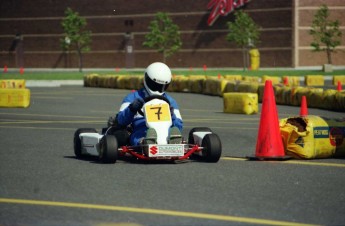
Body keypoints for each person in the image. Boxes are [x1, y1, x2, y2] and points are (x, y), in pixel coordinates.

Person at [110, 62, 183, 146]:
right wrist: (131, 109)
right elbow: (121, 121)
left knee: (173, 130)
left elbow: (179, 126)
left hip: (166, 130)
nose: (158, 89)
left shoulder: (170, 101)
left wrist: (172, 116)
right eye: (155, 85)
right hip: (141, 128)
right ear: (147, 79)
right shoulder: (132, 98)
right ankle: (145, 142)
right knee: (137, 133)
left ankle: (173, 141)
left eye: (162, 86)